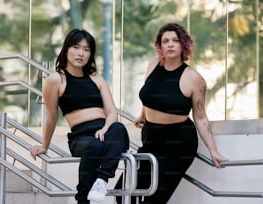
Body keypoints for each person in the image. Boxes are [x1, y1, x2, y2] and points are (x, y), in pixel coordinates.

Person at [116, 23, 228, 204]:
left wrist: (213, 150)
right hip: (151, 138)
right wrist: (143, 114)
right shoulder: (153, 65)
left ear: (184, 45)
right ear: (159, 46)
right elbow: (150, 94)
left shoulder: (194, 78)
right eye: (165, 41)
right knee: (123, 193)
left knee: (154, 199)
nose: (170, 44)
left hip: (178, 144)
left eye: (175, 41)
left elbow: (200, 117)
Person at [29, 28, 129, 204]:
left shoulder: (97, 79)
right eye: (76, 47)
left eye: (86, 49)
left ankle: (102, 181)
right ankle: (83, 199)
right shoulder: (55, 80)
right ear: (66, 49)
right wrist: (45, 145)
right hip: (81, 137)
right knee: (95, 146)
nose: (81, 53)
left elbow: (112, 112)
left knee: (119, 129)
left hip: (105, 131)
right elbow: (51, 115)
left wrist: (105, 128)